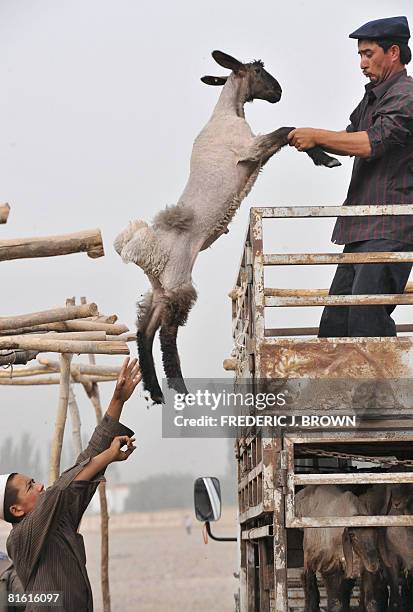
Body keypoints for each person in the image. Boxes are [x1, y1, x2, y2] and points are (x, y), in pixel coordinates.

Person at [288, 16, 413, 337]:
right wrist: (309, 139)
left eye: (368, 54)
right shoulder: (373, 97)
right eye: (360, 55)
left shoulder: (406, 96)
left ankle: (384, 388)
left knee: (365, 318)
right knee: (334, 326)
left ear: (394, 52)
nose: (361, 63)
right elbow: (351, 137)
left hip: (390, 227)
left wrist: (316, 135)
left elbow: (372, 142)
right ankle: (346, 388)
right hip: (361, 229)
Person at [0, 357, 141, 612]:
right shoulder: (19, 539)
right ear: (16, 510)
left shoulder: (58, 519)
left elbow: (84, 465)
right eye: (31, 486)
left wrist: (117, 400)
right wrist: (108, 455)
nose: (41, 486)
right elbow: (61, 489)